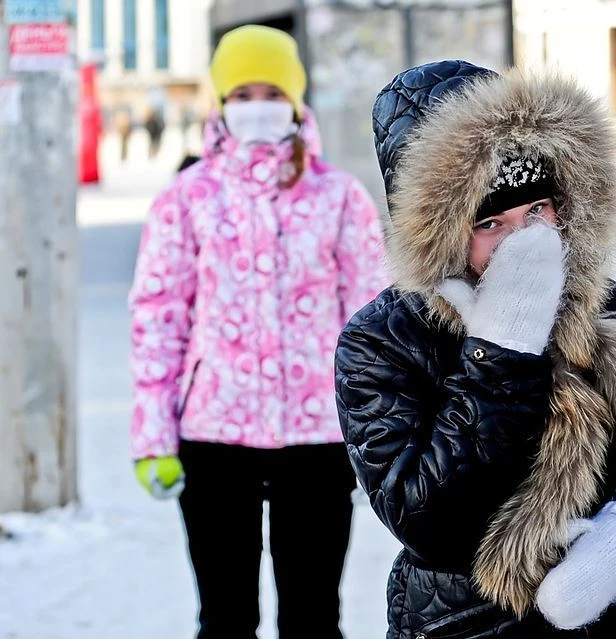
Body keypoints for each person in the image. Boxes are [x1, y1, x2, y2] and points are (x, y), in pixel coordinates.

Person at [335, 60, 616, 638]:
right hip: (464, 626)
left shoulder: (606, 307)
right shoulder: (382, 341)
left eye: (538, 210)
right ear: (437, 234)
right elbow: (427, 522)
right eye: (490, 221)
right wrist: (502, 352)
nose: (526, 242)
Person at [129, 25, 388, 639]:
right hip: (215, 435)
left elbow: (372, 325)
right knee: (225, 619)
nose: (256, 107)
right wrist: (152, 436)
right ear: (219, 103)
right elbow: (159, 317)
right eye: (240, 94)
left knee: (314, 618)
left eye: (270, 91)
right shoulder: (186, 199)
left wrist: (382, 425)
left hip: (318, 440)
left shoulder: (339, 197)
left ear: (295, 101)